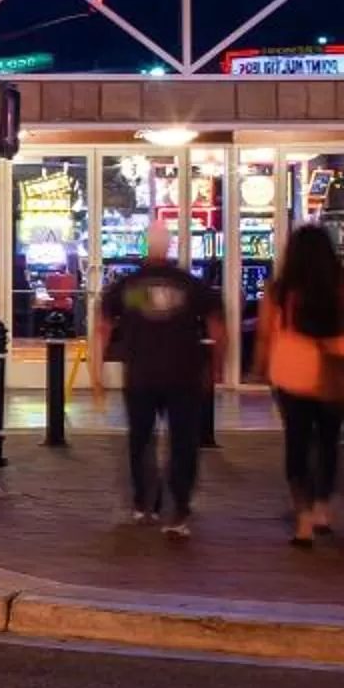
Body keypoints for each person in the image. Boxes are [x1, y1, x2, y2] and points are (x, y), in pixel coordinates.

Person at [258, 222, 344, 546]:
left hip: (293, 373)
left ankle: (303, 518)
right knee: (330, 442)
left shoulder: (280, 289)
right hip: (336, 373)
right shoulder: (342, 286)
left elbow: (265, 334)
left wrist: (259, 367)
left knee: (298, 444)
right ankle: (322, 506)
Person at [91, 229, 224, 535]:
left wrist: (96, 373)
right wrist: (217, 367)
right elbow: (217, 326)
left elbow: (103, 328)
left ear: (145, 247)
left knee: (141, 440)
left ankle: (144, 504)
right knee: (183, 442)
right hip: (184, 374)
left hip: (141, 376)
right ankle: (178, 511)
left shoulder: (128, 287)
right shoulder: (189, 285)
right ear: (170, 248)